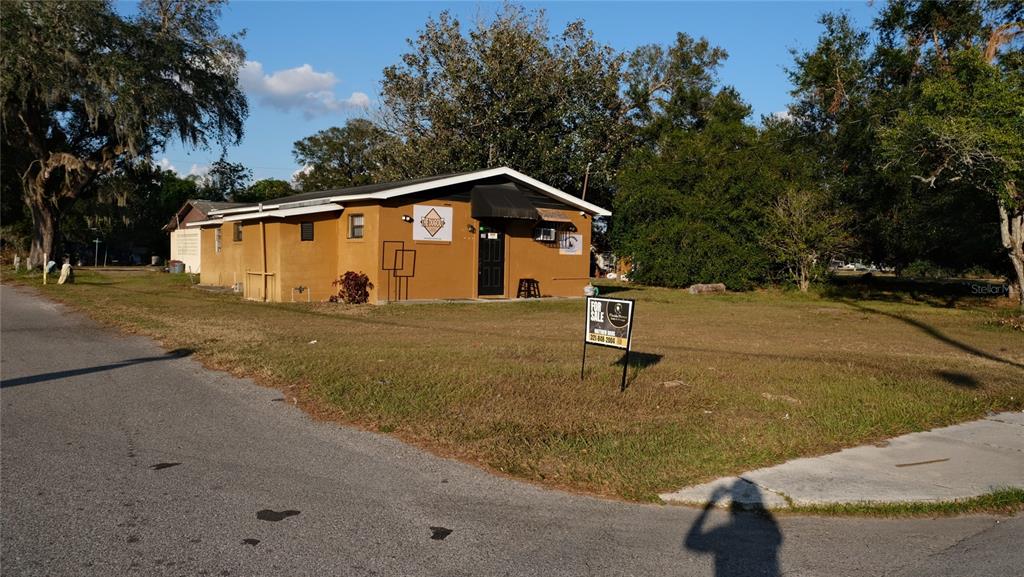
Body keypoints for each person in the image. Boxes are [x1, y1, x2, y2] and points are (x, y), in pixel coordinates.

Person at [684, 480, 783, 577]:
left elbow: (691, 543)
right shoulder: (771, 528)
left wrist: (709, 506)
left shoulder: (722, 531)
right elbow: (777, 539)